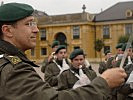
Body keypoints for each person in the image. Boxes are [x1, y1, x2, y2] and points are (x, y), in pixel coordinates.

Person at [0, 2, 127, 100]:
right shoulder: (13, 69)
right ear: (7, 30)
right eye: (29, 24)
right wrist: (104, 83)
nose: (36, 30)